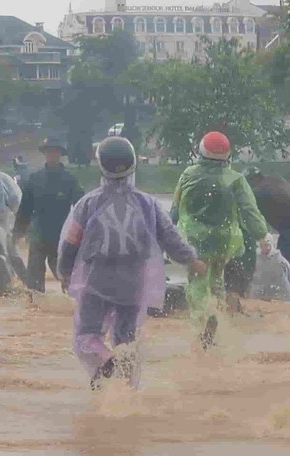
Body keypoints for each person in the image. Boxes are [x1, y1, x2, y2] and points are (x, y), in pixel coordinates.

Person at [58, 137, 206, 389]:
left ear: (100, 165)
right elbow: (169, 236)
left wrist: (64, 272)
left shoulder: (88, 203)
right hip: (134, 283)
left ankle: (104, 360)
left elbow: (71, 243)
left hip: (96, 280)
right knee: (126, 341)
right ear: (134, 164)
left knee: (86, 337)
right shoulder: (148, 204)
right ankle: (126, 394)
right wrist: (191, 259)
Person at [170, 131, 268, 349]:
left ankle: (203, 322)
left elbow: (175, 209)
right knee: (216, 279)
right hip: (225, 242)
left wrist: (165, 235)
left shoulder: (188, 174)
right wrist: (262, 236)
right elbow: (249, 211)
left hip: (194, 242)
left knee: (197, 282)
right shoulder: (235, 179)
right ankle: (217, 319)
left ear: (201, 152)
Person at [15, 137, 84, 293]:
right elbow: (25, 209)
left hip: (61, 237)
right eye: (49, 151)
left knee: (67, 280)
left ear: (60, 154)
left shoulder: (70, 180)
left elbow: (81, 208)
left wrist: (83, 234)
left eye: (55, 151)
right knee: (34, 286)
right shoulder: (34, 179)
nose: (52, 155)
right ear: (45, 154)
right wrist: (17, 233)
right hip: (38, 237)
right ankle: (37, 308)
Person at [247, 167, 290, 269]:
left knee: (280, 270)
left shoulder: (258, 193)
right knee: (287, 269)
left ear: (252, 180)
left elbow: (251, 217)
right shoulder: (276, 179)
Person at [250, 234, 290, 303]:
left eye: (267, 245)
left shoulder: (280, 262)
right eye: (262, 246)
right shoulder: (257, 260)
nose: (264, 248)